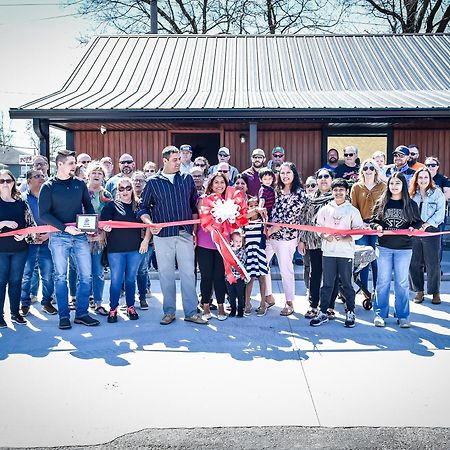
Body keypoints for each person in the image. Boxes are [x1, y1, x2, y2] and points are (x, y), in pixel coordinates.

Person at [139, 145, 207, 325]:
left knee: (188, 274)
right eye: (175, 159)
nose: (179, 162)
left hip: (185, 233)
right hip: (162, 235)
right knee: (166, 274)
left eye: (179, 159)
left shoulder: (187, 179)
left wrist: (194, 231)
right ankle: (169, 312)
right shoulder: (153, 182)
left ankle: (191, 312)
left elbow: (194, 206)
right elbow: (143, 208)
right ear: (165, 161)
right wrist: (149, 223)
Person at [39, 149, 100, 330]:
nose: (75, 166)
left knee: (86, 276)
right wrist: (65, 228)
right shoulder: (48, 186)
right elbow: (44, 214)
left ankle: (81, 314)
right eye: (71, 163)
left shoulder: (80, 184)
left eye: (75, 163)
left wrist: (90, 227)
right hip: (59, 237)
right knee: (60, 277)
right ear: (60, 164)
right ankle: (63, 316)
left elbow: (88, 206)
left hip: (80, 236)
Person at [309, 178, 364, 328]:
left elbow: (360, 230)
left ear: (346, 192)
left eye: (341, 190)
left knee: (346, 283)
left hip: (346, 253)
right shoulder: (326, 209)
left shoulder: (352, 210)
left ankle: (350, 312)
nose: (338, 193)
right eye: (335, 190)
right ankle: (323, 312)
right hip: (328, 252)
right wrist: (324, 236)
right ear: (332, 192)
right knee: (327, 284)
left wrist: (348, 236)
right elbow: (318, 227)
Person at [370, 173, 421, 328]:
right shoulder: (382, 202)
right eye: (391, 183)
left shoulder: (410, 204)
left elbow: (418, 222)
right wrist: (377, 227)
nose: (394, 186)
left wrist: (413, 227)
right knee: (382, 282)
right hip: (384, 247)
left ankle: (403, 316)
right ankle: (380, 314)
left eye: (397, 183)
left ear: (403, 185)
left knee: (402, 283)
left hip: (404, 249)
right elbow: (373, 221)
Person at [101, 178, 151, 323]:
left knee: (130, 279)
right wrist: (106, 227)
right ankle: (113, 308)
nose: (124, 191)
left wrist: (146, 240)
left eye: (128, 188)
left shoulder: (139, 205)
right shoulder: (111, 206)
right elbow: (103, 224)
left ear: (132, 189)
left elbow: (148, 223)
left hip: (135, 249)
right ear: (117, 191)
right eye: (121, 189)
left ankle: (130, 306)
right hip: (116, 249)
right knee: (116, 280)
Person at [264, 162, 305, 316]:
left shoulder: (299, 192)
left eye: (288, 172)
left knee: (286, 269)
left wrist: (276, 228)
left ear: (294, 174)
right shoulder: (276, 191)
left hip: (286, 237)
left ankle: (289, 302)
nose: (285, 176)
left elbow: (293, 215)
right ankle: (268, 296)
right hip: (270, 235)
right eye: (282, 173)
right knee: (262, 265)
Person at [0, 170, 35, 327]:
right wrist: (3, 224)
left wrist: (24, 236)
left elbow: (31, 226)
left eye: (8, 180)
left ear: (14, 182)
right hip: (1, 251)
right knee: (1, 282)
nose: (5, 184)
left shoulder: (22, 202)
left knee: (16, 281)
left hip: (20, 249)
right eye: (1, 181)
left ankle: (15, 313)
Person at [298, 168, 334, 319]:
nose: (323, 179)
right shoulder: (309, 198)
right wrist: (301, 239)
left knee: (331, 276)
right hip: (314, 242)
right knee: (315, 274)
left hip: (333, 243)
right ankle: (313, 306)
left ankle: (329, 307)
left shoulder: (337, 197)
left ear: (332, 179)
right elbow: (303, 220)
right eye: (320, 177)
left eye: (327, 176)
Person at [20, 169, 56, 317]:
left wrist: (49, 234)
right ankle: (24, 304)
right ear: (28, 181)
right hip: (29, 242)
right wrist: (30, 234)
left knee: (48, 274)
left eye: (42, 176)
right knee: (26, 274)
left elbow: (57, 217)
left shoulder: (50, 197)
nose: (41, 178)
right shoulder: (22, 199)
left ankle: (46, 302)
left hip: (47, 241)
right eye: (37, 176)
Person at [409, 168, 446, 305]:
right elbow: (407, 211)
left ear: (430, 179)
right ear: (416, 179)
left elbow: (440, 213)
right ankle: (419, 291)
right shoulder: (412, 194)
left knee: (433, 262)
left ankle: (435, 291)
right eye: (420, 178)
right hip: (414, 232)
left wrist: (427, 224)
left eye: (426, 177)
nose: (423, 180)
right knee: (414, 262)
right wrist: (411, 225)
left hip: (431, 231)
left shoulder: (437, 193)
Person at [350, 159, 386, 296]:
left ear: (376, 170)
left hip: (378, 227)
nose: (369, 170)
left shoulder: (383, 186)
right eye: (366, 168)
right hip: (362, 226)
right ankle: (365, 291)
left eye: (371, 168)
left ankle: (378, 290)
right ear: (362, 171)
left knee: (377, 260)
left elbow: (385, 207)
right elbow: (353, 208)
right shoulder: (356, 187)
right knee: (363, 259)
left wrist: (379, 224)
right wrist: (361, 224)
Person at [196, 173, 229, 321]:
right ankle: (206, 304)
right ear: (211, 184)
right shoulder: (203, 199)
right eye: (216, 182)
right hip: (205, 243)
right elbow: (199, 219)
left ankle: (221, 304)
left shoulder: (229, 201)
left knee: (219, 276)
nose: (219, 185)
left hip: (223, 243)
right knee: (206, 275)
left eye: (222, 182)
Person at [86, 162, 113, 315]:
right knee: (82, 272)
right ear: (88, 175)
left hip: (99, 239)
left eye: (100, 173)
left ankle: (98, 303)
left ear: (103, 177)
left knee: (98, 271)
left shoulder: (106, 195)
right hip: (81, 239)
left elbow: (110, 216)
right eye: (94, 173)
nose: (96, 176)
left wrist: (103, 229)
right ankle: (82, 302)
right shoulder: (80, 192)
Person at [243, 196, 269, 316]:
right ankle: (247, 303)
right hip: (249, 253)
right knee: (250, 278)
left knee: (262, 278)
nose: (253, 207)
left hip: (259, 252)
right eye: (251, 205)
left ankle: (263, 304)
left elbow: (263, 201)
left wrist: (260, 208)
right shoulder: (245, 222)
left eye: (255, 205)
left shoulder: (262, 221)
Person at [132, 171, 153, 309]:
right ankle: (130, 299)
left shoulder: (149, 200)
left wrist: (146, 240)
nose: (138, 183)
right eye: (135, 180)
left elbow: (151, 222)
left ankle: (143, 297)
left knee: (142, 270)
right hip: (130, 241)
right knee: (129, 272)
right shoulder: (126, 199)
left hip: (146, 241)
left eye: (141, 180)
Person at [227, 230, 247, 318]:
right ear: (231, 241)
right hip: (230, 277)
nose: (238, 243)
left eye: (240, 241)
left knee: (240, 295)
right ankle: (233, 310)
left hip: (239, 278)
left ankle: (240, 311)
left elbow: (241, 263)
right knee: (231, 295)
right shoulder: (228, 251)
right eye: (236, 241)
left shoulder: (242, 252)